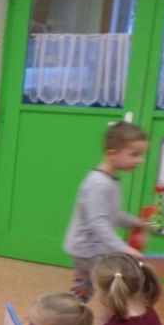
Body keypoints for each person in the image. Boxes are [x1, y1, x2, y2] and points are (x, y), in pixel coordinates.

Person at [64, 121, 149, 300]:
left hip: (86, 248)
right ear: (112, 154)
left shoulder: (108, 180)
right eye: (134, 154)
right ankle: (111, 319)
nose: (140, 160)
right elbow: (99, 223)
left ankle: (63, 313)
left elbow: (112, 214)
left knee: (83, 291)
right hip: (90, 250)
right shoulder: (99, 183)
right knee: (118, 289)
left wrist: (136, 222)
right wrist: (124, 249)